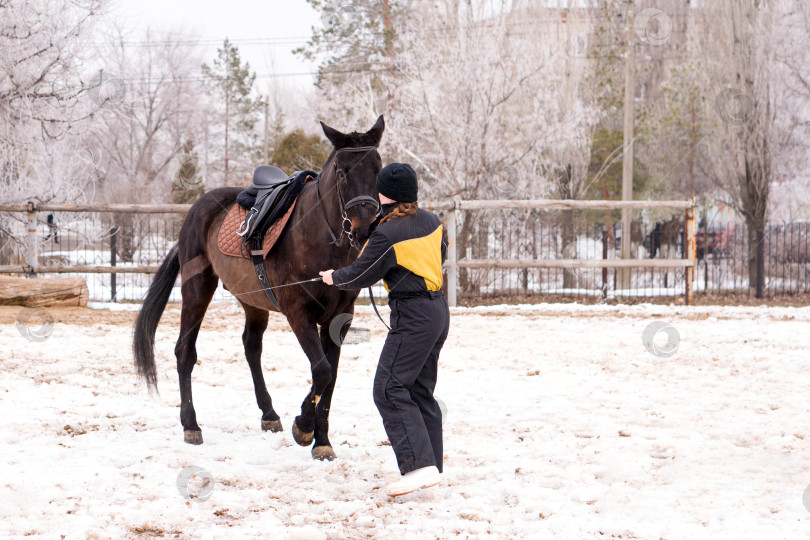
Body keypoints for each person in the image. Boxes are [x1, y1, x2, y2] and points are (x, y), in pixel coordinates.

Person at [319, 162, 450, 497]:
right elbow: (440, 253)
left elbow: (363, 273)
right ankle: (432, 469)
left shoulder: (387, 234)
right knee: (419, 391)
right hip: (437, 312)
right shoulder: (434, 223)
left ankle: (418, 468)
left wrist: (334, 276)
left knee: (389, 388)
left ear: (384, 195)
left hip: (413, 316)